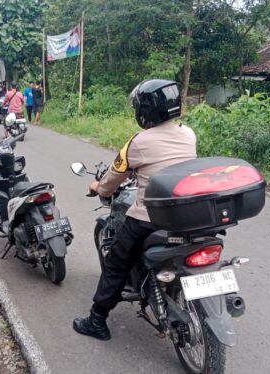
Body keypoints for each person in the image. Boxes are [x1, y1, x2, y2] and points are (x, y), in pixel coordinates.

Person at [72, 79, 197, 341]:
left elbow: (113, 177)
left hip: (150, 218)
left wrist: (99, 188)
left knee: (116, 262)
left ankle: (97, 321)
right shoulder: (188, 134)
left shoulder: (138, 142)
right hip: (187, 215)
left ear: (145, 110)